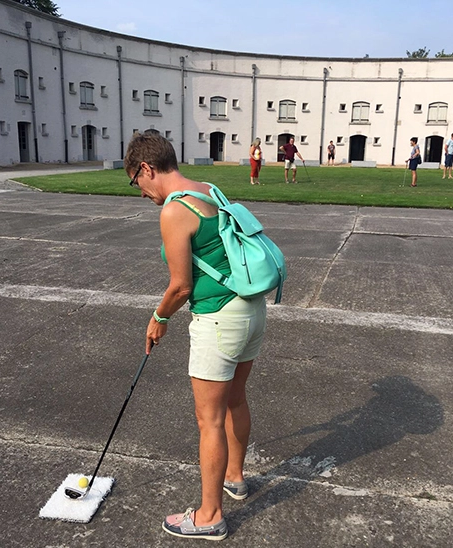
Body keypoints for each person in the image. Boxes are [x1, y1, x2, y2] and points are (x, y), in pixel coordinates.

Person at [125, 132, 267, 541]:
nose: (140, 192)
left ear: (147, 169)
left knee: (209, 421)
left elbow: (180, 287)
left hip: (219, 320)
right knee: (236, 399)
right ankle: (235, 477)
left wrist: (158, 318)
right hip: (250, 310)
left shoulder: (173, 211)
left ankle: (209, 516)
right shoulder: (209, 190)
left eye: (137, 181)